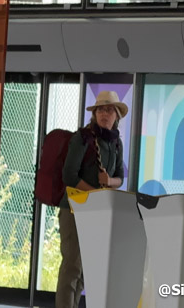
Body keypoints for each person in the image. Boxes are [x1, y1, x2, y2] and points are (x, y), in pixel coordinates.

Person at [56, 90, 127, 308]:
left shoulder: (116, 143)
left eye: (110, 110)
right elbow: (69, 175)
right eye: (101, 110)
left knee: (85, 270)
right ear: (95, 114)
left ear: (116, 116)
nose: (105, 114)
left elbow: (120, 177)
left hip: (96, 212)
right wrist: (94, 195)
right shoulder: (83, 138)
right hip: (73, 209)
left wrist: (109, 181)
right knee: (72, 266)